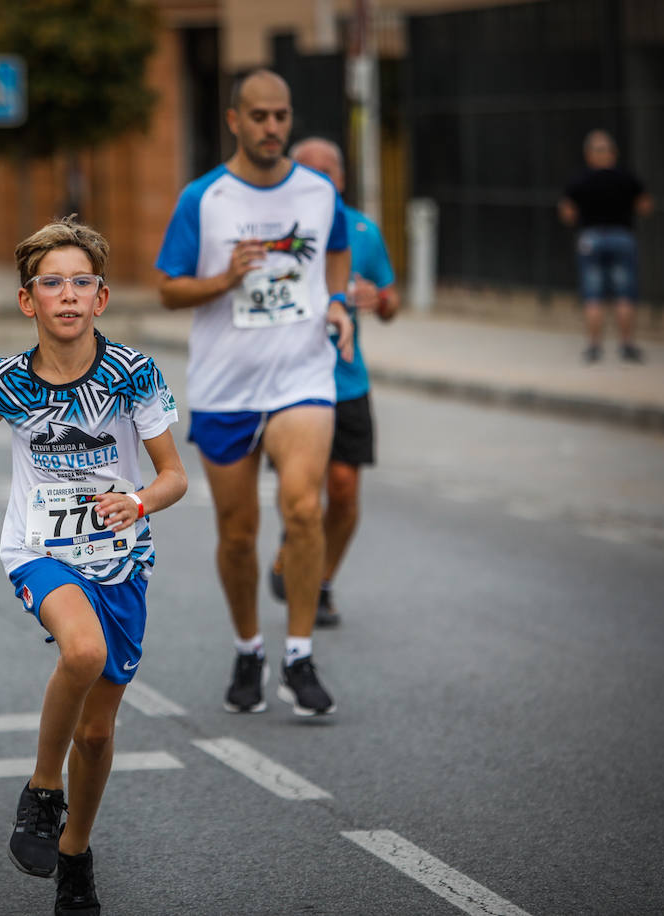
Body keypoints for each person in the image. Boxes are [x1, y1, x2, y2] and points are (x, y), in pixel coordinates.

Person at [0, 216, 186, 914]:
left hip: (118, 560)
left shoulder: (132, 375)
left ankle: (75, 851)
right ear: (28, 301)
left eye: (80, 283)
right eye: (51, 284)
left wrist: (139, 501)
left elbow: (175, 475)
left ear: (101, 298)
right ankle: (41, 791)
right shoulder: (5, 381)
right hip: (37, 549)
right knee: (81, 652)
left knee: (97, 731)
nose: (67, 295)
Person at [155, 69, 354, 717]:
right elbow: (167, 287)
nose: (273, 128)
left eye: (282, 116)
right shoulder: (204, 199)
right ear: (235, 121)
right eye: (260, 116)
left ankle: (298, 654)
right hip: (225, 386)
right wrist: (222, 280)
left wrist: (338, 301)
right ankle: (249, 646)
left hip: (302, 377)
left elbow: (338, 252)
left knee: (302, 508)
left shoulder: (319, 191)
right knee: (238, 533)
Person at [267, 138, 400, 627]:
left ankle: (319, 577)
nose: (322, 175)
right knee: (301, 489)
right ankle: (297, 542)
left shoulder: (362, 230)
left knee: (343, 491)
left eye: (331, 168)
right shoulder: (273, 226)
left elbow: (390, 301)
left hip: (346, 379)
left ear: (343, 178)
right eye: (310, 167)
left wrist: (377, 300)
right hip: (287, 379)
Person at [559, 130, 653, 363]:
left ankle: (594, 347)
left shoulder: (580, 179)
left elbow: (567, 212)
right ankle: (626, 345)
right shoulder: (626, 177)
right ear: (613, 153)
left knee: (593, 296)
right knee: (624, 294)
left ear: (588, 154)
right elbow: (645, 205)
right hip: (622, 236)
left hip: (591, 238)